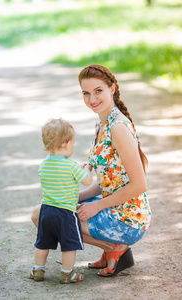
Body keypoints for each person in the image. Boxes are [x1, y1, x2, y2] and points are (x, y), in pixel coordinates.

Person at [31, 64, 151, 278]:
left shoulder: (118, 128)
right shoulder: (102, 123)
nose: (92, 99)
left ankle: (115, 248)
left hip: (128, 218)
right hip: (111, 205)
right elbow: (108, 181)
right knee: (42, 212)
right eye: (86, 93)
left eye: (98, 91)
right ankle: (112, 250)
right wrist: (74, 196)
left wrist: (97, 205)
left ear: (112, 89)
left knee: (45, 215)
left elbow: (140, 185)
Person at [30, 118, 92, 284]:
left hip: (46, 211)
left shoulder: (43, 165)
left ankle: (38, 270)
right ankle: (67, 273)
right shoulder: (71, 166)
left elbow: (56, 179)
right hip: (65, 213)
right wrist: (87, 169)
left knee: (42, 243)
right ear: (66, 143)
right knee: (69, 244)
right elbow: (87, 181)